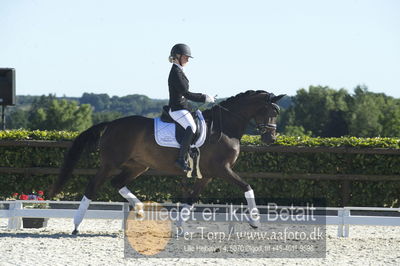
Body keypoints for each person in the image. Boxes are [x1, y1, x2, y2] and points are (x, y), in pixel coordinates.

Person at [168, 43, 215, 172]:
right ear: (177, 56)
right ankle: (180, 159)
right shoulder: (175, 72)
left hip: (183, 107)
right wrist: (204, 97)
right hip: (177, 109)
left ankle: (192, 146)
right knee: (192, 127)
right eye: (186, 57)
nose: (188, 59)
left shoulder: (179, 70)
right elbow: (186, 94)